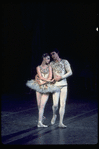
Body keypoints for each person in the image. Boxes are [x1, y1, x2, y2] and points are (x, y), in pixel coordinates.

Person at [26, 53, 60, 127]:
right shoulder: (38, 67)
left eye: (49, 58)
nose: (49, 60)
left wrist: (43, 82)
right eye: (47, 58)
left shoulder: (49, 67)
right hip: (39, 86)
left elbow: (50, 77)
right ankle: (41, 118)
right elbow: (40, 77)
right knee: (39, 105)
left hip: (46, 87)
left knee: (42, 106)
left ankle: (39, 122)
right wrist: (41, 82)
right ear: (44, 58)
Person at [50, 49, 73, 127]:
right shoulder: (51, 64)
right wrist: (51, 80)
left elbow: (70, 72)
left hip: (64, 85)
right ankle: (54, 115)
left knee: (62, 104)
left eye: (53, 54)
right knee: (55, 104)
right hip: (55, 86)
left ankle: (60, 122)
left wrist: (61, 77)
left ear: (57, 53)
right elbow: (50, 75)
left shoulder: (64, 61)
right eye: (51, 55)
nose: (52, 56)